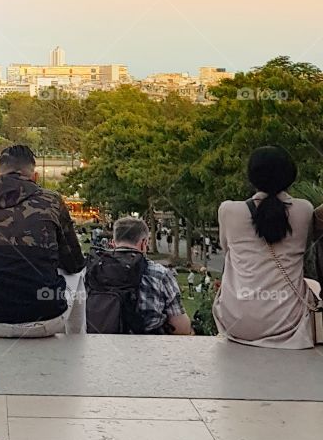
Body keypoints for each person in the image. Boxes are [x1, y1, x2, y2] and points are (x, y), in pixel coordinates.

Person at [0, 145, 85, 337]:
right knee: (78, 276)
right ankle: (77, 344)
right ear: (35, 177)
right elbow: (74, 263)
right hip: (47, 319)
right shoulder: (52, 200)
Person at [213, 146, 317, 348]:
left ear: (251, 176)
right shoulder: (304, 209)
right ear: (290, 176)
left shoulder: (228, 210)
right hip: (288, 322)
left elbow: (227, 250)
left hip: (237, 321)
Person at [86, 217, 193, 334]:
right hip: (147, 347)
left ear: (113, 243)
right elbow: (181, 328)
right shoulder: (160, 274)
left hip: (101, 345)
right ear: (144, 243)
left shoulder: (92, 270)